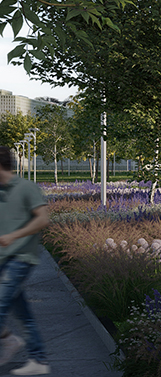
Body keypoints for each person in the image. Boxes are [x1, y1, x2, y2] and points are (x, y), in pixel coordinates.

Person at [0, 146, 51, 375]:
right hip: (2, 258)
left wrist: (13, 235)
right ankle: (38, 360)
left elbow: (42, 220)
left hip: (21, 258)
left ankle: (12, 342)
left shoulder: (26, 188)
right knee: (22, 313)